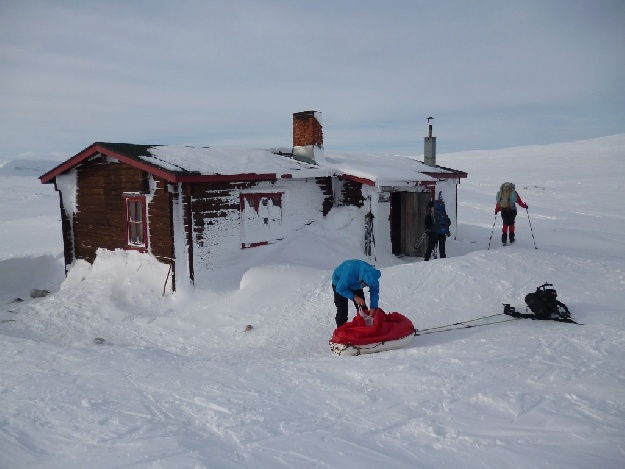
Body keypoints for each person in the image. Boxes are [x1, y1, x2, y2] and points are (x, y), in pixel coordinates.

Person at [331, 259, 381, 328]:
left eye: (367, 285)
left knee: (362, 307)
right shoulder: (349, 274)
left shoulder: (373, 277)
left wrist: (373, 307)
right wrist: (355, 297)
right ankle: (341, 330)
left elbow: (374, 292)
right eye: (365, 283)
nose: (365, 286)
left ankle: (364, 326)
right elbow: (340, 289)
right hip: (339, 283)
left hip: (356, 283)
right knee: (342, 310)